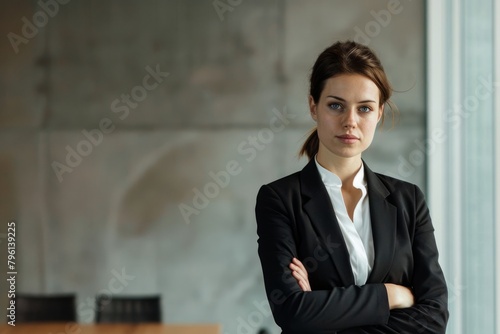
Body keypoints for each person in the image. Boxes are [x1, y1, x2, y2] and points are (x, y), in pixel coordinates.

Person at [255, 41, 448, 333]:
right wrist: (391, 295)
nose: (350, 122)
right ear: (313, 106)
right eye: (336, 105)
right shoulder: (280, 200)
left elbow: (433, 318)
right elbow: (292, 311)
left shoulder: (409, 200)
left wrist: (323, 312)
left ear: (379, 112)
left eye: (365, 109)